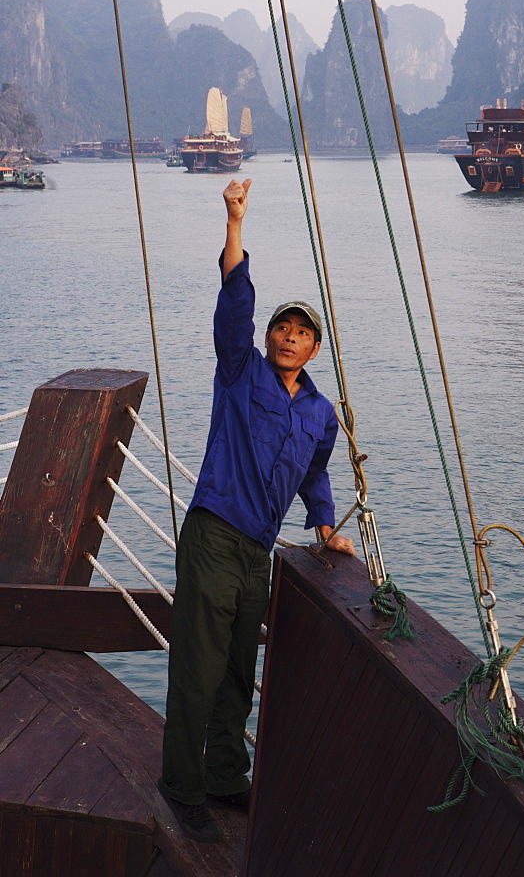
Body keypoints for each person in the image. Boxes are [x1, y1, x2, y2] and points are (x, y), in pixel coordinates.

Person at [158, 177, 354, 843]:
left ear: (315, 348)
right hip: (215, 534)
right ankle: (181, 789)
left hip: (257, 555)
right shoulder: (240, 370)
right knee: (198, 669)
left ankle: (224, 779)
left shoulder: (321, 413)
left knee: (239, 671)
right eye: (282, 327)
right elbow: (234, 303)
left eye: (302, 332)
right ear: (268, 336)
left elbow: (318, 472)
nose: (288, 337)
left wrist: (325, 525)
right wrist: (236, 224)